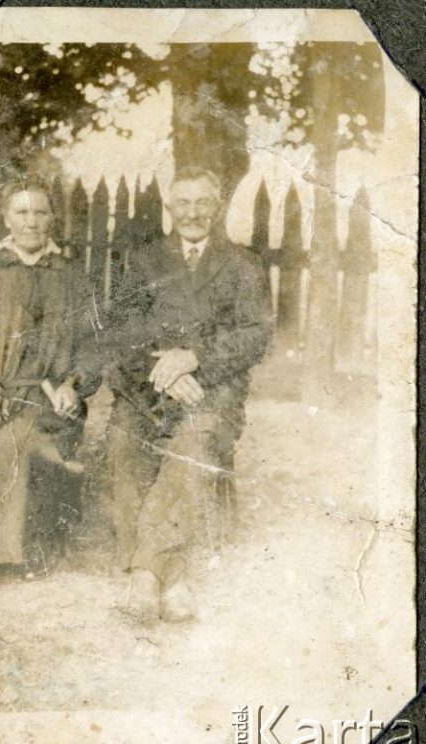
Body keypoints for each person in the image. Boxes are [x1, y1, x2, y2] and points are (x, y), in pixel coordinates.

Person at [105, 166, 272, 622]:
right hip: (149, 387)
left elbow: (256, 335)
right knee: (123, 440)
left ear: (216, 208)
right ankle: (171, 575)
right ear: (170, 208)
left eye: (202, 203)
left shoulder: (242, 265)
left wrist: (193, 358)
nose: (193, 212)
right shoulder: (144, 261)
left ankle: (144, 574)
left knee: (192, 444)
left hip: (212, 389)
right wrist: (163, 369)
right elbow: (121, 332)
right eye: (184, 203)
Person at [0, 176, 101, 578]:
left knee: (31, 442)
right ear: (5, 218)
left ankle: (28, 550)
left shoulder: (70, 275)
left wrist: (73, 385)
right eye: (21, 212)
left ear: (52, 218)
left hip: (49, 398)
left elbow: (90, 346)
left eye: (39, 212)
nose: (31, 222)